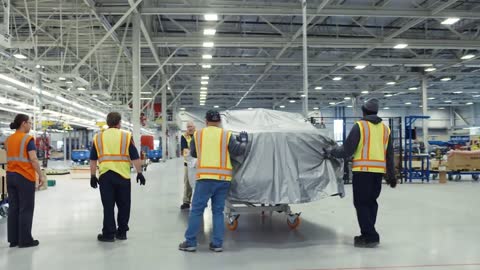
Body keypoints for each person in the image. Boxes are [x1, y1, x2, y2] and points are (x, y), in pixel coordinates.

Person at [324, 98, 396, 248]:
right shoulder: (385, 129)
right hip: (378, 173)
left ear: (363, 111)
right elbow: (389, 154)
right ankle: (367, 233)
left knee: (361, 204)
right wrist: (392, 175)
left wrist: (330, 151)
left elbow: (346, 150)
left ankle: (370, 236)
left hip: (363, 172)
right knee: (371, 203)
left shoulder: (360, 126)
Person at [179, 110, 248, 252]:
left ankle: (191, 242)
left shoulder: (198, 135)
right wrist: (244, 142)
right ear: (220, 121)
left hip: (205, 179)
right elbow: (239, 151)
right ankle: (217, 244)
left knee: (197, 211)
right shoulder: (227, 135)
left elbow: (193, 154)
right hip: (223, 180)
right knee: (218, 211)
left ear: (206, 121)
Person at [90, 112, 146, 242]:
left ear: (107, 122)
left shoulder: (98, 138)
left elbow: (93, 159)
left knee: (108, 206)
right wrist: (139, 173)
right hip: (123, 176)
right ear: (119, 123)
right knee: (124, 205)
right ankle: (122, 232)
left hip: (105, 176)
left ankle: (109, 234)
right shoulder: (126, 136)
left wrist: (92, 175)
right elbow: (135, 157)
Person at [6, 114, 45, 248]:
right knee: (26, 208)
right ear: (23, 123)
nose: (30, 125)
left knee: (13, 207)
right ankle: (25, 240)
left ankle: (13, 239)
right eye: (29, 123)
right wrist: (41, 175)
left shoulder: (8, 139)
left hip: (10, 175)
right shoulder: (27, 139)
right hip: (24, 176)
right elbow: (33, 159)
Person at [179, 121, 196, 210]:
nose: (189, 128)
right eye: (188, 126)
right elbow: (184, 151)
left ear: (194, 127)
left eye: (191, 126)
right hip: (188, 163)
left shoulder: (199, 135)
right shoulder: (184, 136)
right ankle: (186, 201)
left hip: (199, 164)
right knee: (187, 182)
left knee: (199, 183)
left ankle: (198, 202)